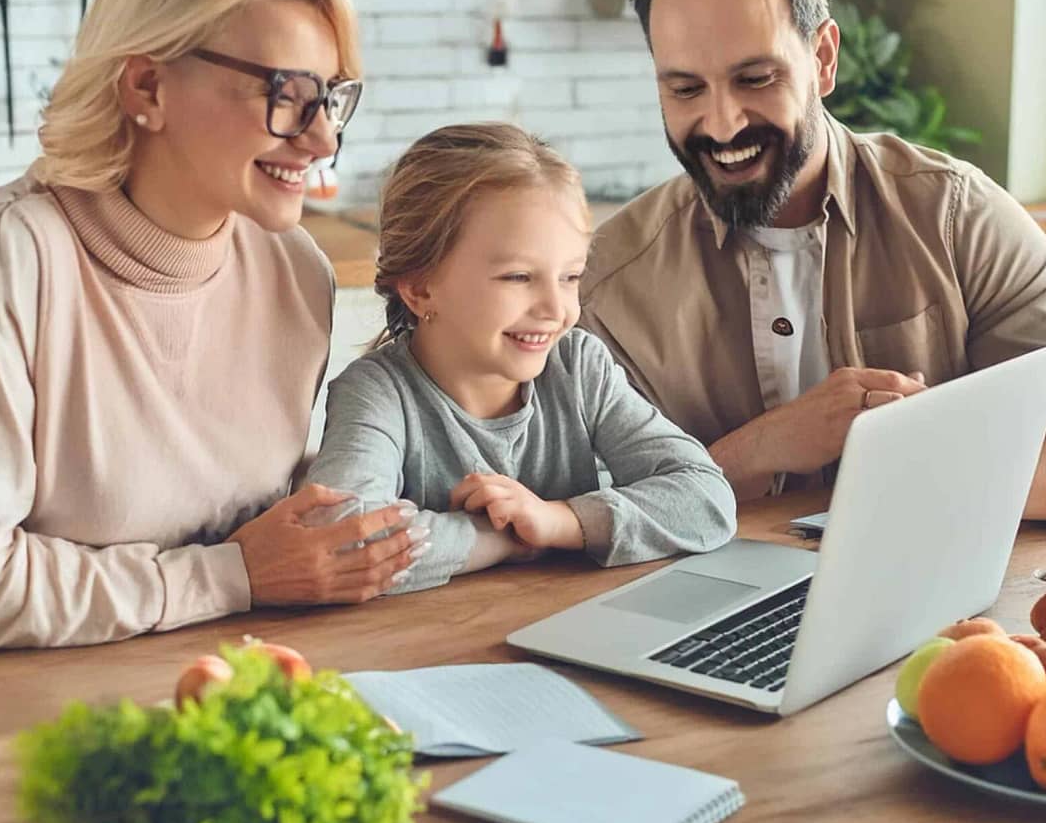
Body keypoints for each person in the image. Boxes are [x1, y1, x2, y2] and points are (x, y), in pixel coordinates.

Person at [0, 0, 421, 653]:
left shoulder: (292, 269)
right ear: (147, 86)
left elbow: (218, 506)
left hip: (180, 653)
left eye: (332, 99)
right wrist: (231, 576)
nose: (320, 142)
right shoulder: (13, 251)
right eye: (287, 94)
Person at [579, 0, 1046, 527]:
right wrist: (765, 446)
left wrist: (917, 455)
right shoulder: (607, 287)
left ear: (824, 59)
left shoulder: (954, 216)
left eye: (756, 78)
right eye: (686, 88)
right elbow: (584, 508)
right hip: (711, 617)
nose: (721, 123)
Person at [305, 123, 737, 594]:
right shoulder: (377, 394)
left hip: (563, 628)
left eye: (571, 277)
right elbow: (343, 542)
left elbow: (707, 498)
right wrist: (505, 537)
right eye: (517, 277)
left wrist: (558, 521)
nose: (556, 311)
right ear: (420, 286)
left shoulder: (577, 367)